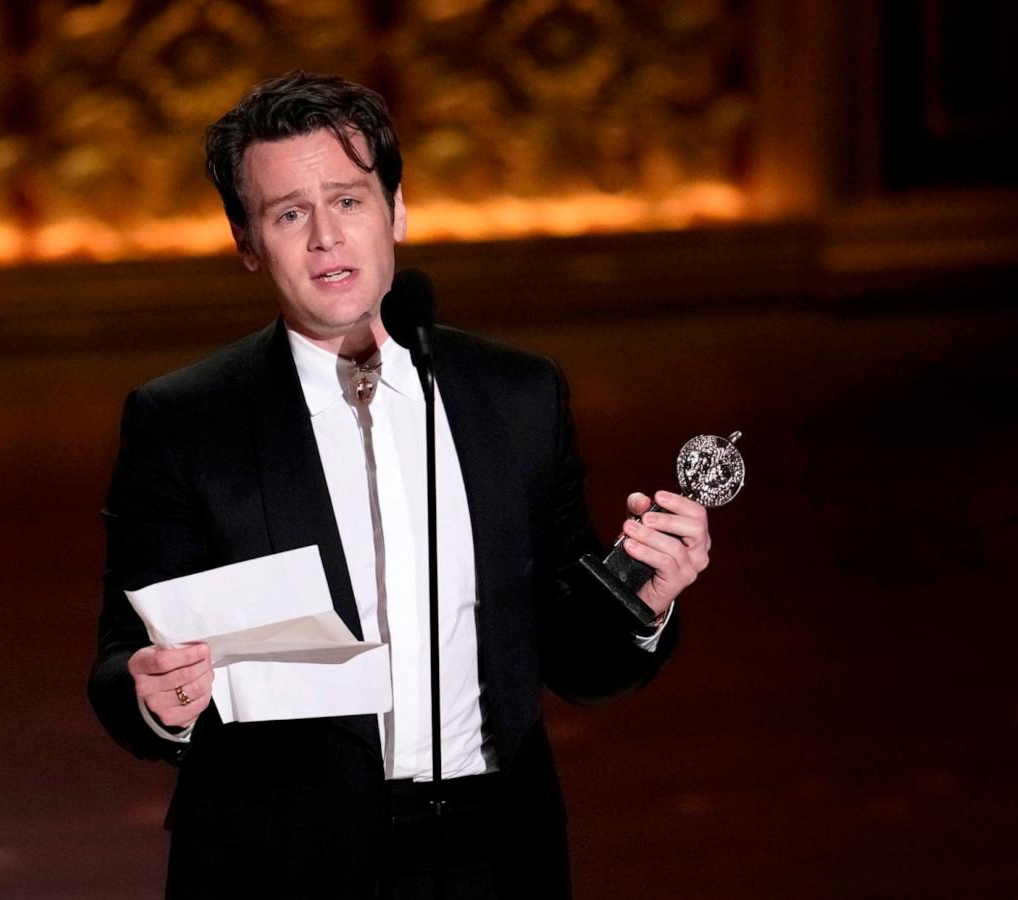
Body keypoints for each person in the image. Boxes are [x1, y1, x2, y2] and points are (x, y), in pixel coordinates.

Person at [88, 70, 711, 899]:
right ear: (247, 242)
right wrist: (157, 698)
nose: (325, 239)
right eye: (288, 214)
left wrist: (645, 598)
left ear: (397, 210)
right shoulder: (186, 424)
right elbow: (119, 666)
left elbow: (578, 664)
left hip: (496, 849)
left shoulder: (515, 397)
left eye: (348, 201)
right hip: (286, 860)